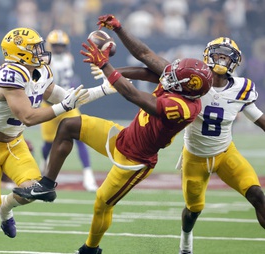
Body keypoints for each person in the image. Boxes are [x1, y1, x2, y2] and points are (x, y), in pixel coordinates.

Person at [13, 36, 213, 254]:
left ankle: (91, 248)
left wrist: (106, 66)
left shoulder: (183, 108)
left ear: (188, 87)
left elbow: (132, 94)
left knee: (102, 203)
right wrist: (116, 44)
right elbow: (148, 69)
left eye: (176, 76)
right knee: (69, 125)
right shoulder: (181, 88)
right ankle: (47, 185)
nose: (170, 76)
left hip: (136, 162)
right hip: (122, 137)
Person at [92, 14, 265, 254]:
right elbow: (146, 57)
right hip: (195, 157)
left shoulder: (242, 88)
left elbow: (258, 117)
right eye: (218, 54)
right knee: (194, 209)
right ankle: (186, 239)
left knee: (258, 195)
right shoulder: (191, 80)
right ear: (207, 55)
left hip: (226, 153)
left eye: (226, 56)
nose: (221, 60)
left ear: (234, 62)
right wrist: (120, 31)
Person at [0, 27, 115, 254]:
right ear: (19, 53)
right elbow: (28, 117)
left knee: (38, 190)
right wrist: (64, 107)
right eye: (34, 47)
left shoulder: (42, 71)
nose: (41, 51)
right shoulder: (10, 74)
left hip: (14, 142)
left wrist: (104, 89)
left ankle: (6, 207)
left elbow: (66, 98)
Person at [41, 29, 98, 192]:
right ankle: (44, 166)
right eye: (56, 45)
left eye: (61, 46)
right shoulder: (68, 58)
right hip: (53, 105)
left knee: (79, 139)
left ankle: (88, 175)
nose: (58, 48)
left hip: (63, 103)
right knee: (48, 143)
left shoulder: (48, 60)